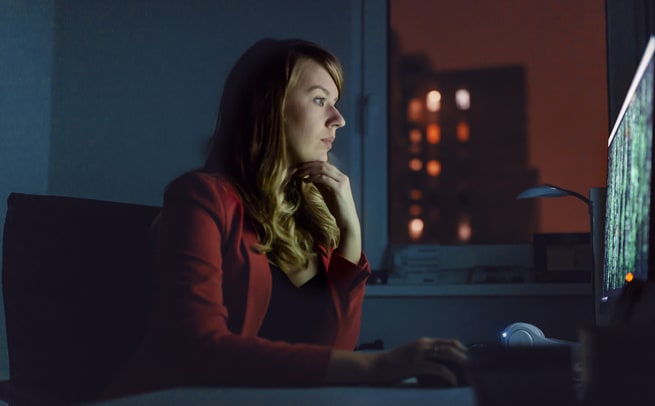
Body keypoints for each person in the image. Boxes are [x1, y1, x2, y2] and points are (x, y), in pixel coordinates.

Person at [104, 38, 468, 398]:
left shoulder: (312, 220)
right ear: (269, 107)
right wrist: (378, 365)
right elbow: (195, 349)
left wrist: (350, 234)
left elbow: (334, 351)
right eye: (320, 100)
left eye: (335, 104)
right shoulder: (201, 197)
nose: (338, 120)